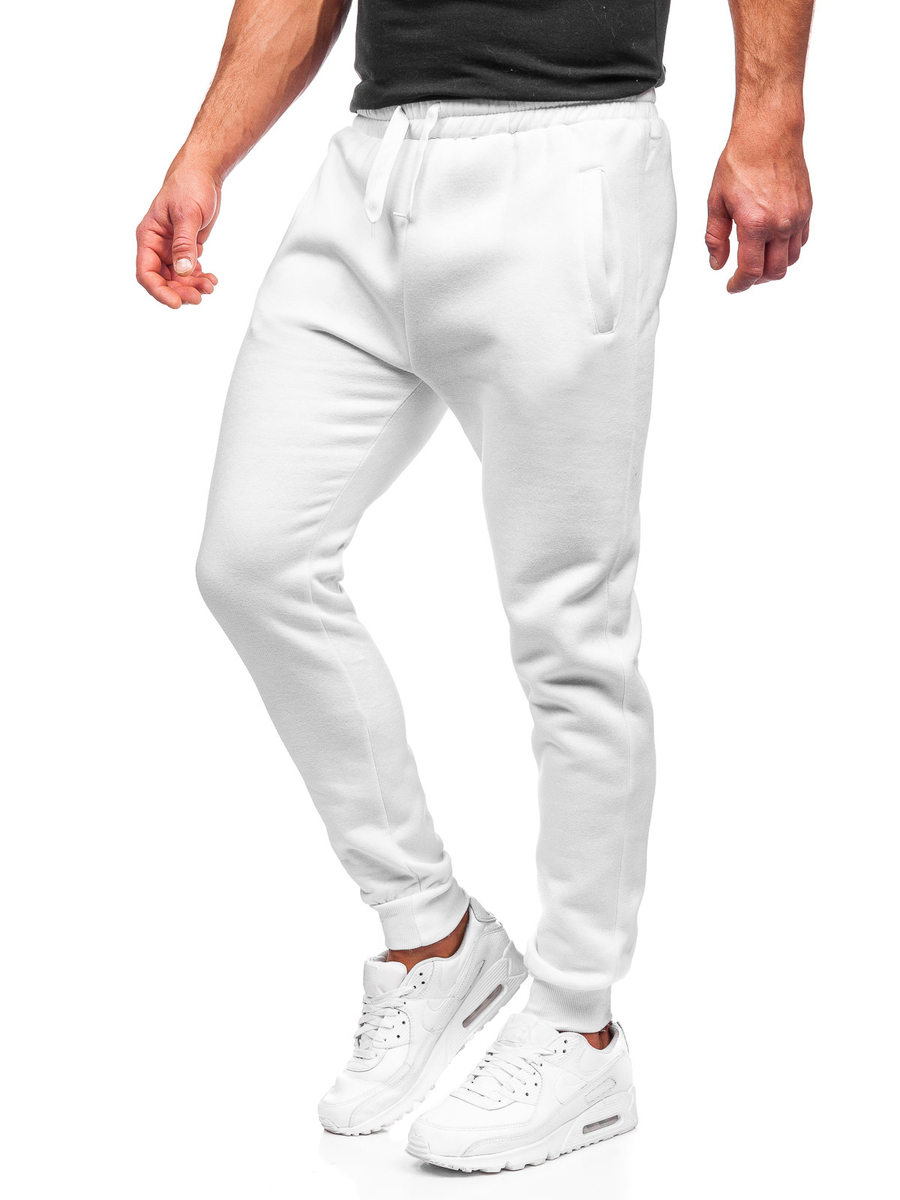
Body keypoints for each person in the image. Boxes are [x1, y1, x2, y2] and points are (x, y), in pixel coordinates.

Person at [136, 0, 814, 1173]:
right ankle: (431, 933)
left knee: (570, 629)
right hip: (371, 169)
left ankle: (581, 1022)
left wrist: (771, 113)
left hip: (568, 161)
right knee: (251, 558)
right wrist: (206, 153)